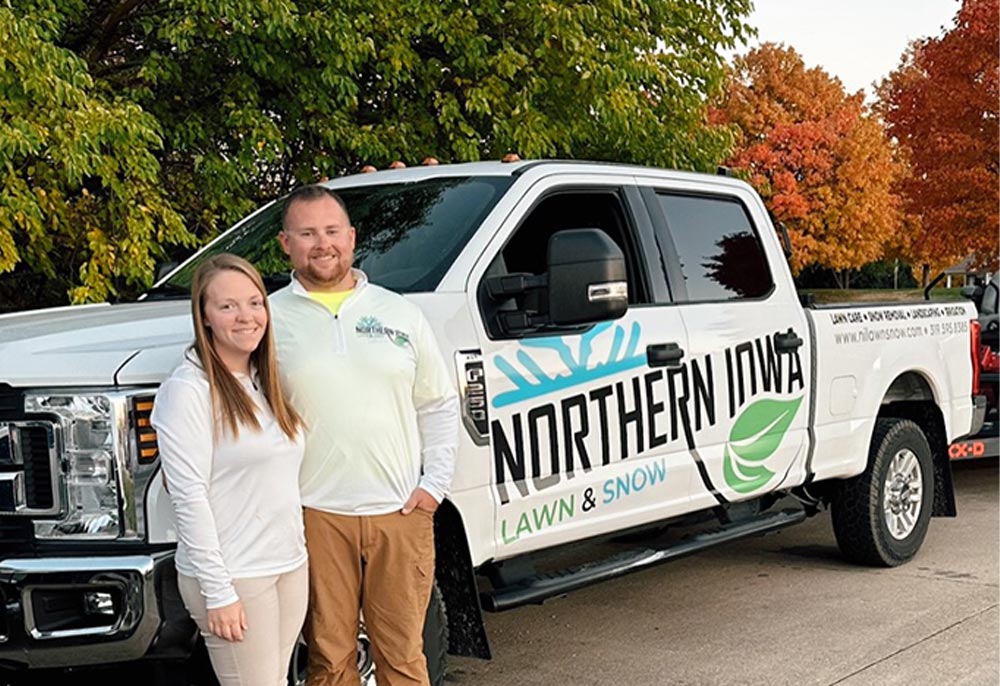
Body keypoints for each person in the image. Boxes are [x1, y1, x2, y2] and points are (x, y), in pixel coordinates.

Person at [270, 185, 459, 686]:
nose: (322, 243)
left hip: (399, 512)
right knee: (330, 662)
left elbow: (437, 403)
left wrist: (433, 487)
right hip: (315, 515)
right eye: (307, 233)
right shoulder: (267, 318)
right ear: (286, 243)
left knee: (402, 657)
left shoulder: (400, 313)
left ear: (352, 238)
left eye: (332, 231)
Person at [151, 254, 307, 686]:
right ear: (204, 317)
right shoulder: (188, 390)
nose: (246, 317)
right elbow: (188, 497)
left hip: (288, 564)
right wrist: (219, 592)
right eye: (228, 306)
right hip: (234, 574)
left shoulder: (264, 381)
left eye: (255, 303)